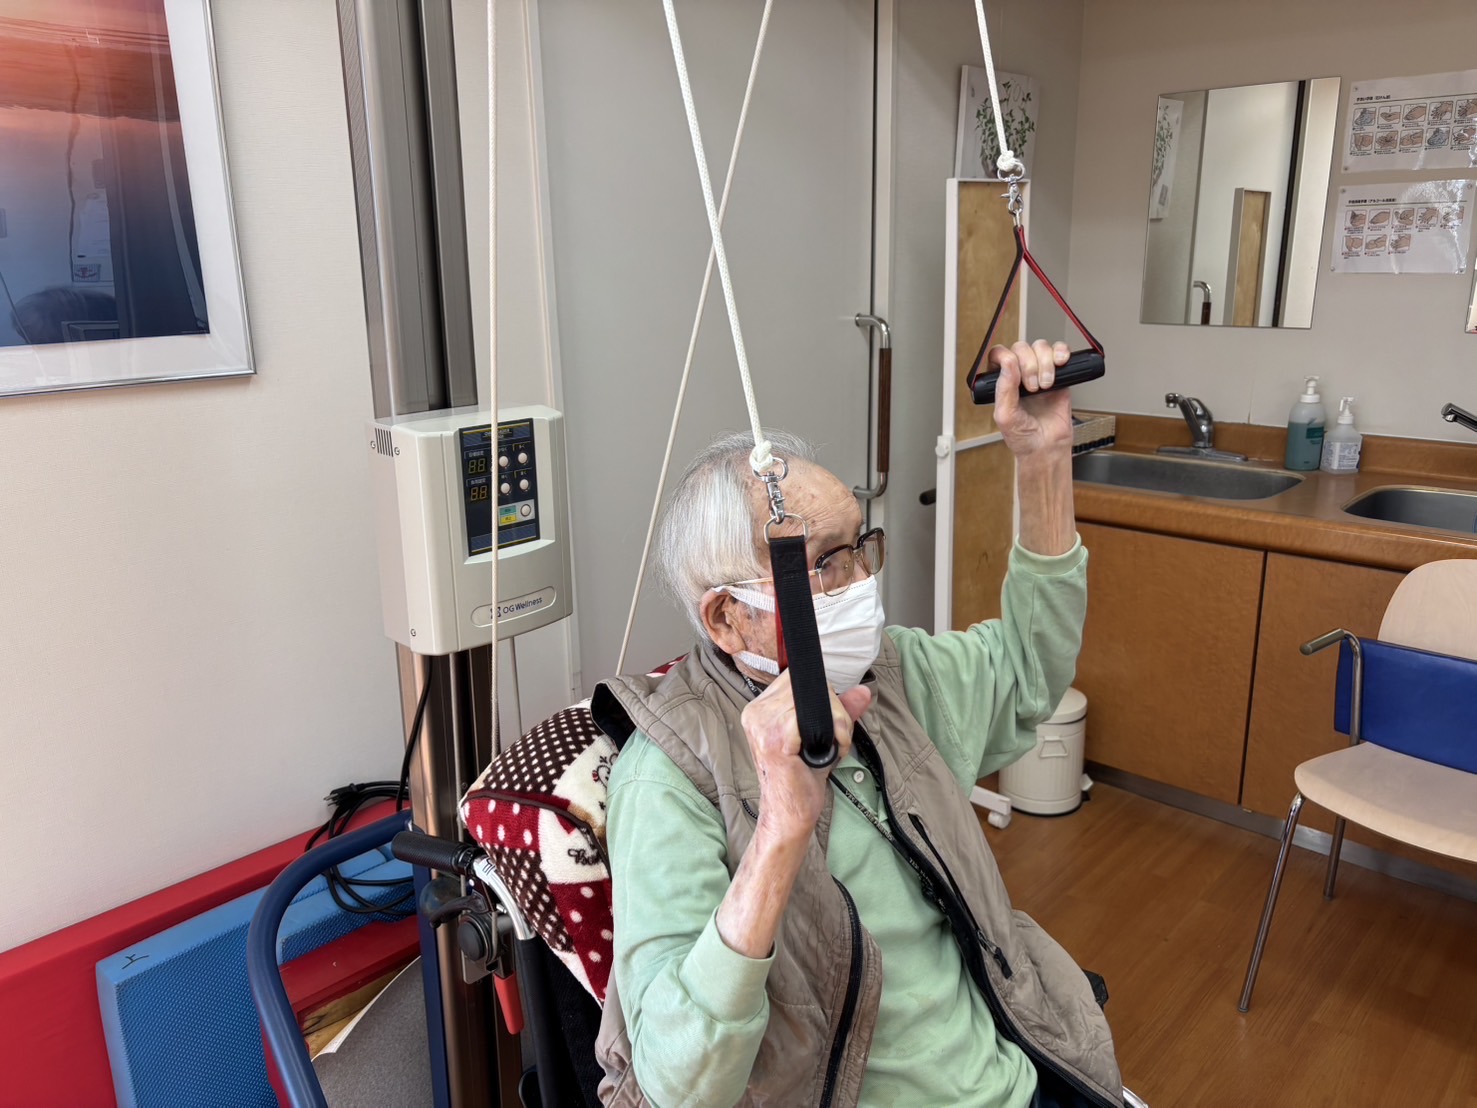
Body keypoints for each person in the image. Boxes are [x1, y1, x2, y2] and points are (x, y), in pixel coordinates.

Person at [589, 340, 1123, 1107]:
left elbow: (1029, 672)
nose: (863, 582)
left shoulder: (889, 675)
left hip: (1013, 1063)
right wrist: (780, 832)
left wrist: (1042, 462)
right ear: (728, 617)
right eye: (827, 563)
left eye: (860, 548)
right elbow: (679, 1084)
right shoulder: (668, 776)